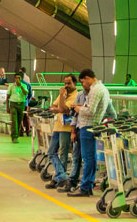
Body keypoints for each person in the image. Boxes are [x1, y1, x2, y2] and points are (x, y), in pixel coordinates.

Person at [69, 69, 110, 198]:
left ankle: (86, 186)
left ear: (88, 78)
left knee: (88, 158)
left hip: (88, 126)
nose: (83, 85)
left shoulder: (96, 90)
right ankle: (87, 185)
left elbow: (91, 110)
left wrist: (78, 108)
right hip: (90, 126)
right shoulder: (101, 89)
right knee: (90, 158)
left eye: (83, 82)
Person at [45, 75, 78, 190]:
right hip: (57, 126)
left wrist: (60, 103)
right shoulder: (63, 94)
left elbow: (63, 109)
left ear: (75, 84)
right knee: (51, 152)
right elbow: (53, 106)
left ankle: (58, 179)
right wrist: (59, 106)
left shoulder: (76, 96)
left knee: (63, 153)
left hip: (67, 128)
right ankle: (62, 176)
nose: (66, 86)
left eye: (69, 83)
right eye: (65, 83)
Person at [6, 73, 29, 143]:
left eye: (19, 78)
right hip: (13, 104)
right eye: (16, 78)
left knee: (19, 121)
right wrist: (7, 107)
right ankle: (14, 136)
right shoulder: (11, 86)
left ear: (21, 79)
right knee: (14, 121)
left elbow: (26, 93)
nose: (17, 79)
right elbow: (8, 97)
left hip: (21, 104)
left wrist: (21, 86)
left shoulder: (24, 85)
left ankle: (17, 135)